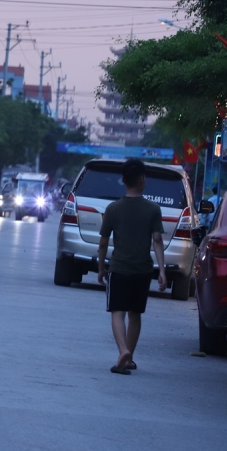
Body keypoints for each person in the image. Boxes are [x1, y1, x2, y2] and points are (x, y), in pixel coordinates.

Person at [96, 158, 166, 376]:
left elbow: (103, 242)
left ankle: (123, 350)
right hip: (143, 270)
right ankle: (129, 357)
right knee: (135, 314)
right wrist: (162, 270)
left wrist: (101, 268)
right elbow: (157, 241)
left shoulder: (113, 209)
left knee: (118, 311)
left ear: (123, 181)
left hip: (119, 268)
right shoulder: (153, 209)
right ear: (142, 180)